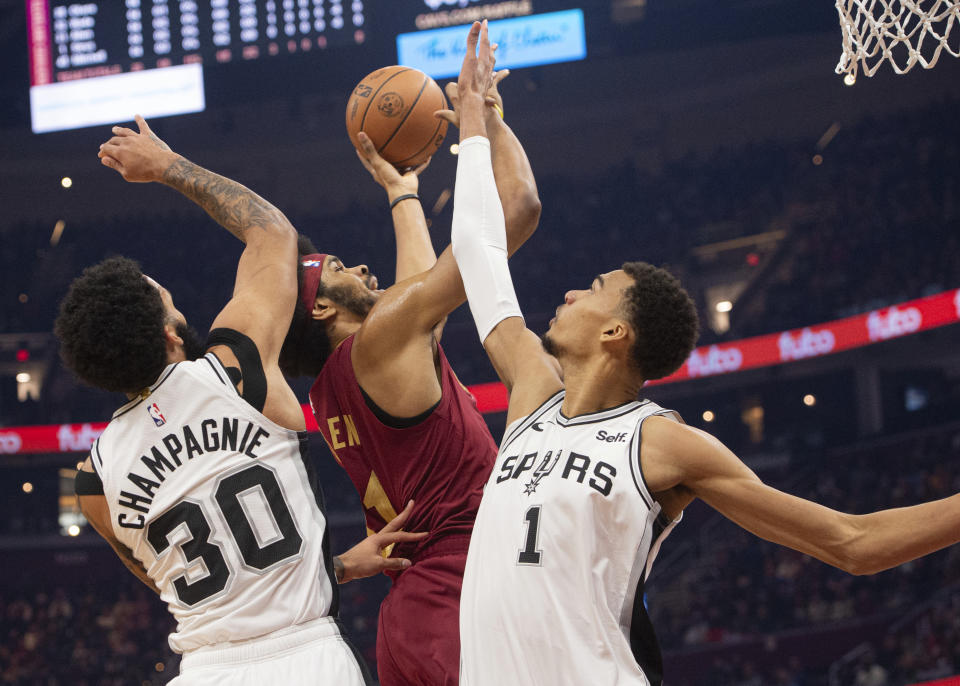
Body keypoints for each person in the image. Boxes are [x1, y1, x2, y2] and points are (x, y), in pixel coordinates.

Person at [449, 22, 960, 686]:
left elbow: (851, 543)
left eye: (595, 289)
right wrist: (476, 122)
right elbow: (480, 256)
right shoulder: (531, 393)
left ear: (616, 334)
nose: (572, 290)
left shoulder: (662, 443)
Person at [57, 119, 425, 685]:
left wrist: (342, 566)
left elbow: (183, 580)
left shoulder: (93, 481)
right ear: (171, 331)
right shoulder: (234, 370)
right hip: (308, 658)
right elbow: (272, 233)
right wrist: (166, 166)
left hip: (203, 670)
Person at [278, 35, 541, 686]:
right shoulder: (381, 340)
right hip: (460, 583)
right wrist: (487, 120)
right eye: (339, 268)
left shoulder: (334, 387)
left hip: (413, 611)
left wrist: (403, 192)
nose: (361, 267)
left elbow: (424, 297)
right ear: (319, 310)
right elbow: (518, 213)